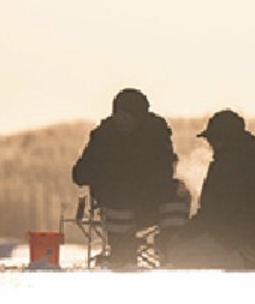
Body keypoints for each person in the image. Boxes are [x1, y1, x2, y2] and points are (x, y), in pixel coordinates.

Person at [71, 88, 189, 267]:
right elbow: (80, 174)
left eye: (128, 116)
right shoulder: (104, 136)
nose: (123, 121)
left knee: (178, 192)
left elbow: (166, 168)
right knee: (119, 192)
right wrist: (106, 173)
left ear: (140, 117)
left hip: (150, 200)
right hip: (116, 202)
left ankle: (170, 247)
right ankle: (122, 252)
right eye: (120, 115)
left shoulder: (157, 133)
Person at [174, 109, 255, 268]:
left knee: (178, 252)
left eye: (212, 139)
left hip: (234, 236)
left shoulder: (229, 164)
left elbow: (216, 211)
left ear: (222, 139)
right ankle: (244, 256)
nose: (210, 145)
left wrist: (184, 233)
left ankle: (242, 259)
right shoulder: (252, 160)